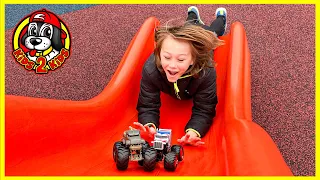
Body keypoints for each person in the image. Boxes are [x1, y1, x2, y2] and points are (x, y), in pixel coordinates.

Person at [133, 6, 227, 146]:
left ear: (192, 60)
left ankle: (221, 18)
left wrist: (194, 131)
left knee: (212, 32)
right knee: (188, 26)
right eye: (167, 57)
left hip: (203, 44)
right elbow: (147, 105)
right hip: (181, 54)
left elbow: (205, 109)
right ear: (159, 54)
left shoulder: (205, 71)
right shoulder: (151, 69)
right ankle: (192, 16)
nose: (172, 65)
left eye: (181, 60)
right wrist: (149, 126)